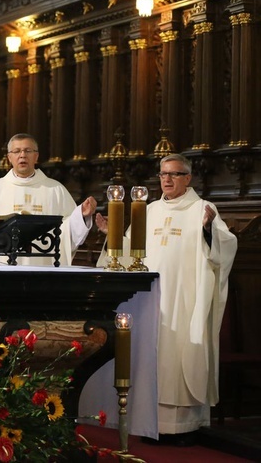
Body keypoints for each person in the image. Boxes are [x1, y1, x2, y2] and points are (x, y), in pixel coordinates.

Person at [95, 153, 237, 444]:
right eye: (162, 175)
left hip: (185, 299)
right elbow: (128, 251)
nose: (167, 180)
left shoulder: (202, 209)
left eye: (174, 174)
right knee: (151, 355)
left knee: (180, 354)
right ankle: (149, 423)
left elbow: (224, 248)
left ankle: (184, 427)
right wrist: (112, 235)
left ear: (188, 178)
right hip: (152, 302)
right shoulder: (148, 211)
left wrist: (209, 230)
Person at [0, 133, 97, 265]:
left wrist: (81, 215)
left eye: (28, 151)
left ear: (36, 156)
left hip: (42, 269)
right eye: (17, 151)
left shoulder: (55, 190)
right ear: (9, 157)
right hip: (2, 270)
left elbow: (65, 230)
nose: (22, 155)